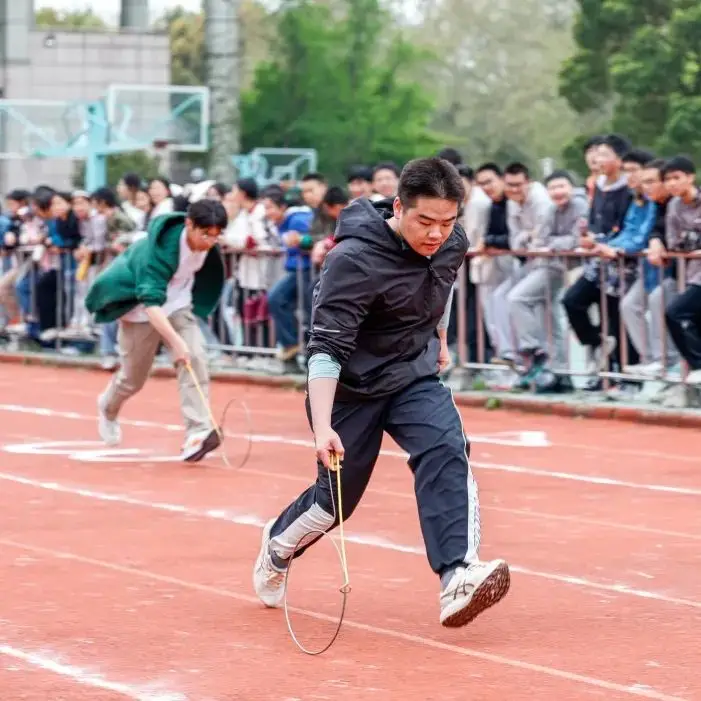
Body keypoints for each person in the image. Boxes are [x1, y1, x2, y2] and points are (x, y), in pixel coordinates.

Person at [253, 157, 510, 628]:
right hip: (351, 389)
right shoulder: (351, 261)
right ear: (398, 207)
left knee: (446, 446)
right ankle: (277, 546)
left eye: (448, 222)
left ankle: (457, 574)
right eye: (425, 222)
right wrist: (324, 425)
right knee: (334, 504)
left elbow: (443, 286)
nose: (437, 234)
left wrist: (443, 337)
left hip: (411, 375)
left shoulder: (451, 242)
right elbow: (326, 347)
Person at [85, 199, 228, 462]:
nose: (210, 241)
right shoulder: (157, 250)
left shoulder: (208, 243)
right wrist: (175, 343)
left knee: (195, 357)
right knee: (133, 379)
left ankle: (197, 432)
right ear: (189, 225)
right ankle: (108, 407)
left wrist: (182, 345)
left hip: (178, 305)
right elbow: (151, 304)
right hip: (141, 310)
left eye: (217, 236)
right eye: (205, 234)